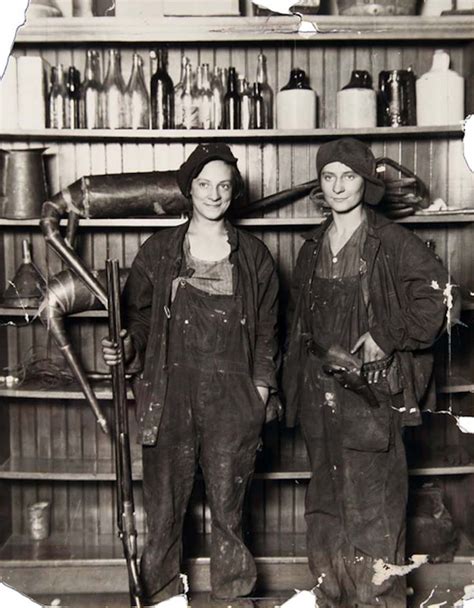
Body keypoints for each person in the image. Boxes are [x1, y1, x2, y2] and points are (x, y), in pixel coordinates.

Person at [102, 143, 280, 608]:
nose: (214, 194)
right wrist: (127, 345)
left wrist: (259, 394)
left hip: (233, 399)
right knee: (164, 510)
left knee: (229, 511)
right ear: (189, 189)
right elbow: (137, 320)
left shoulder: (255, 257)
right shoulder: (159, 251)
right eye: (204, 184)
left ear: (234, 191)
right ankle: (162, 597)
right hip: (168, 391)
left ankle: (234, 597)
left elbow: (267, 336)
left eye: (224, 185)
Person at [283, 137, 456, 608]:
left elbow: (441, 300)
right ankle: (331, 598)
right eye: (329, 176)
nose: (339, 186)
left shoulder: (392, 243)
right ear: (320, 185)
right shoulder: (311, 247)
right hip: (321, 397)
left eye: (349, 176)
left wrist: (386, 334)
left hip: (371, 395)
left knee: (374, 510)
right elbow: (300, 329)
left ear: (366, 182)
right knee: (326, 507)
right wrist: (290, 397)